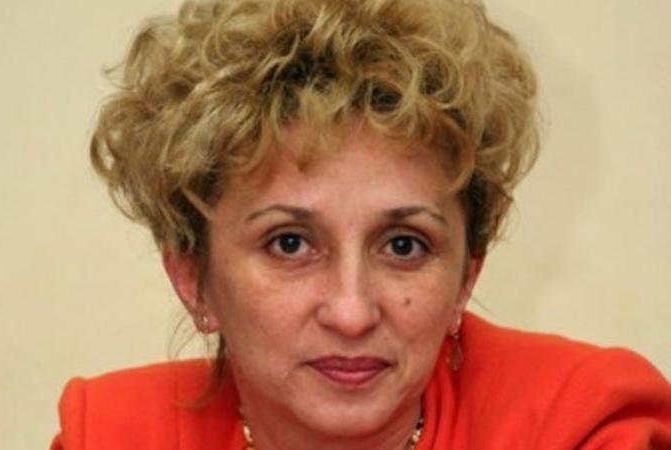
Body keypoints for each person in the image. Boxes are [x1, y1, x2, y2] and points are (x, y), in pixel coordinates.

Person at [51, 0, 671, 449]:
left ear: (466, 275)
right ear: (193, 278)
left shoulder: (578, 422)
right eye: (289, 243)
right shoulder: (110, 433)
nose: (351, 313)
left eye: (403, 245)